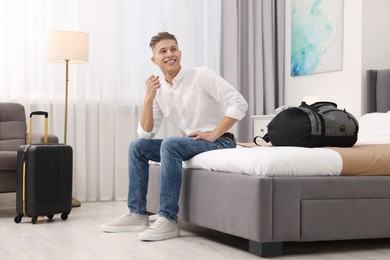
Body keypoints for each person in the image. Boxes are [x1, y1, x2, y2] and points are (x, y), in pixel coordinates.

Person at [100, 32, 248, 241]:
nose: (170, 54)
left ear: (180, 52)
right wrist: (148, 98)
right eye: (163, 51)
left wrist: (214, 134)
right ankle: (137, 214)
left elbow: (239, 103)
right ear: (154, 59)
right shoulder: (159, 90)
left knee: (170, 144)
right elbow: (145, 133)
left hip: (219, 141)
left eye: (173, 49)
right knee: (137, 147)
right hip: (190, 143)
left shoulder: (201, 75)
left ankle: (168, 219)